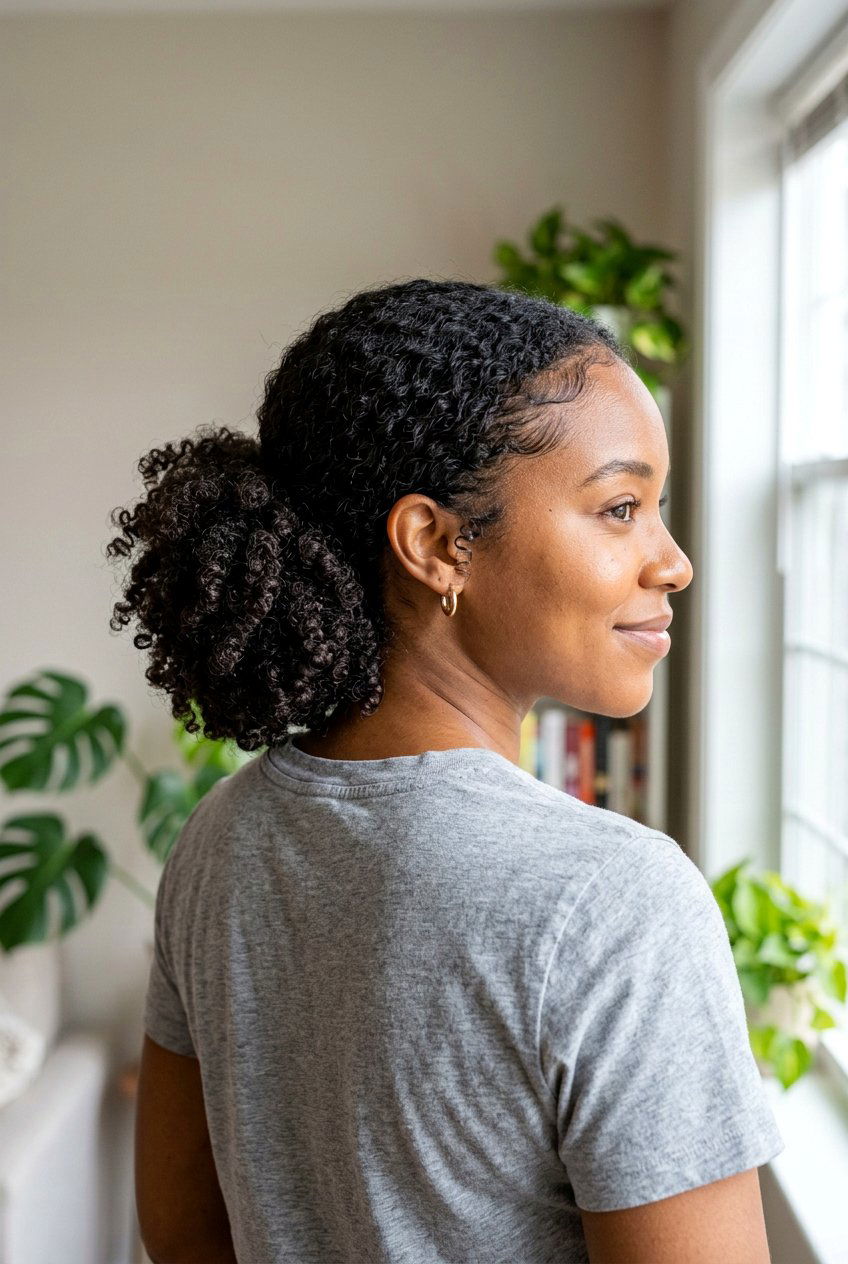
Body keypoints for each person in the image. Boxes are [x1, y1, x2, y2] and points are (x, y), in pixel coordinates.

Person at [109, 278, 784, 1264]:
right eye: (620, 507)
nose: (670, 560)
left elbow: (181, 1235)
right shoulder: (612, 905)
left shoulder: (219, 839)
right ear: (436, 544)